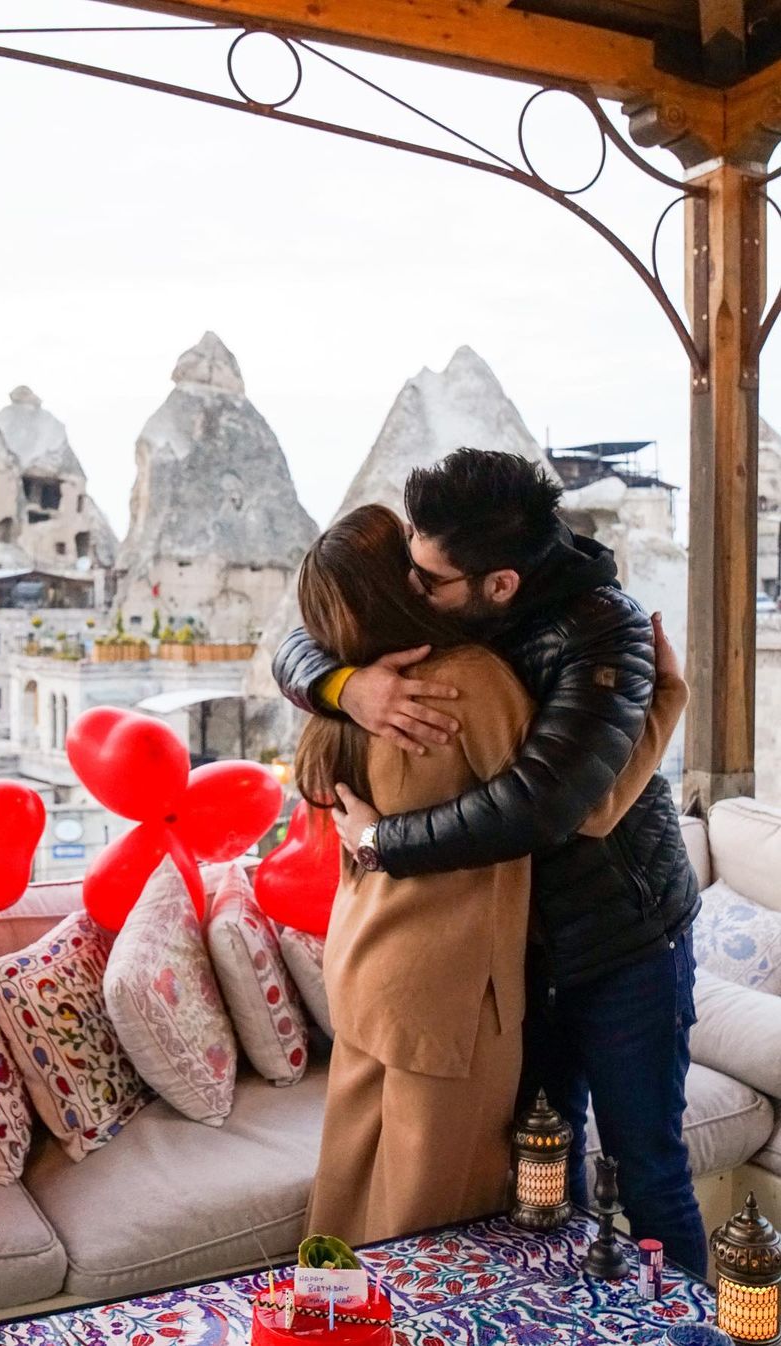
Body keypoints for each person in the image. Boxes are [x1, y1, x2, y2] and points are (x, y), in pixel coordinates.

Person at [275, 449, 707, 1275]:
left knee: (646, 1174)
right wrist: (342, 684)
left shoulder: (602, 634)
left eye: (425, 579)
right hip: (515, 957)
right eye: (404, 563)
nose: (406, 589)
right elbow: (315, 625)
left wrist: (380, 843)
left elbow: (550, 808)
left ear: (499, 585)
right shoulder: (441, 625)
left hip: (621, 943)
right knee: (544, 1177)